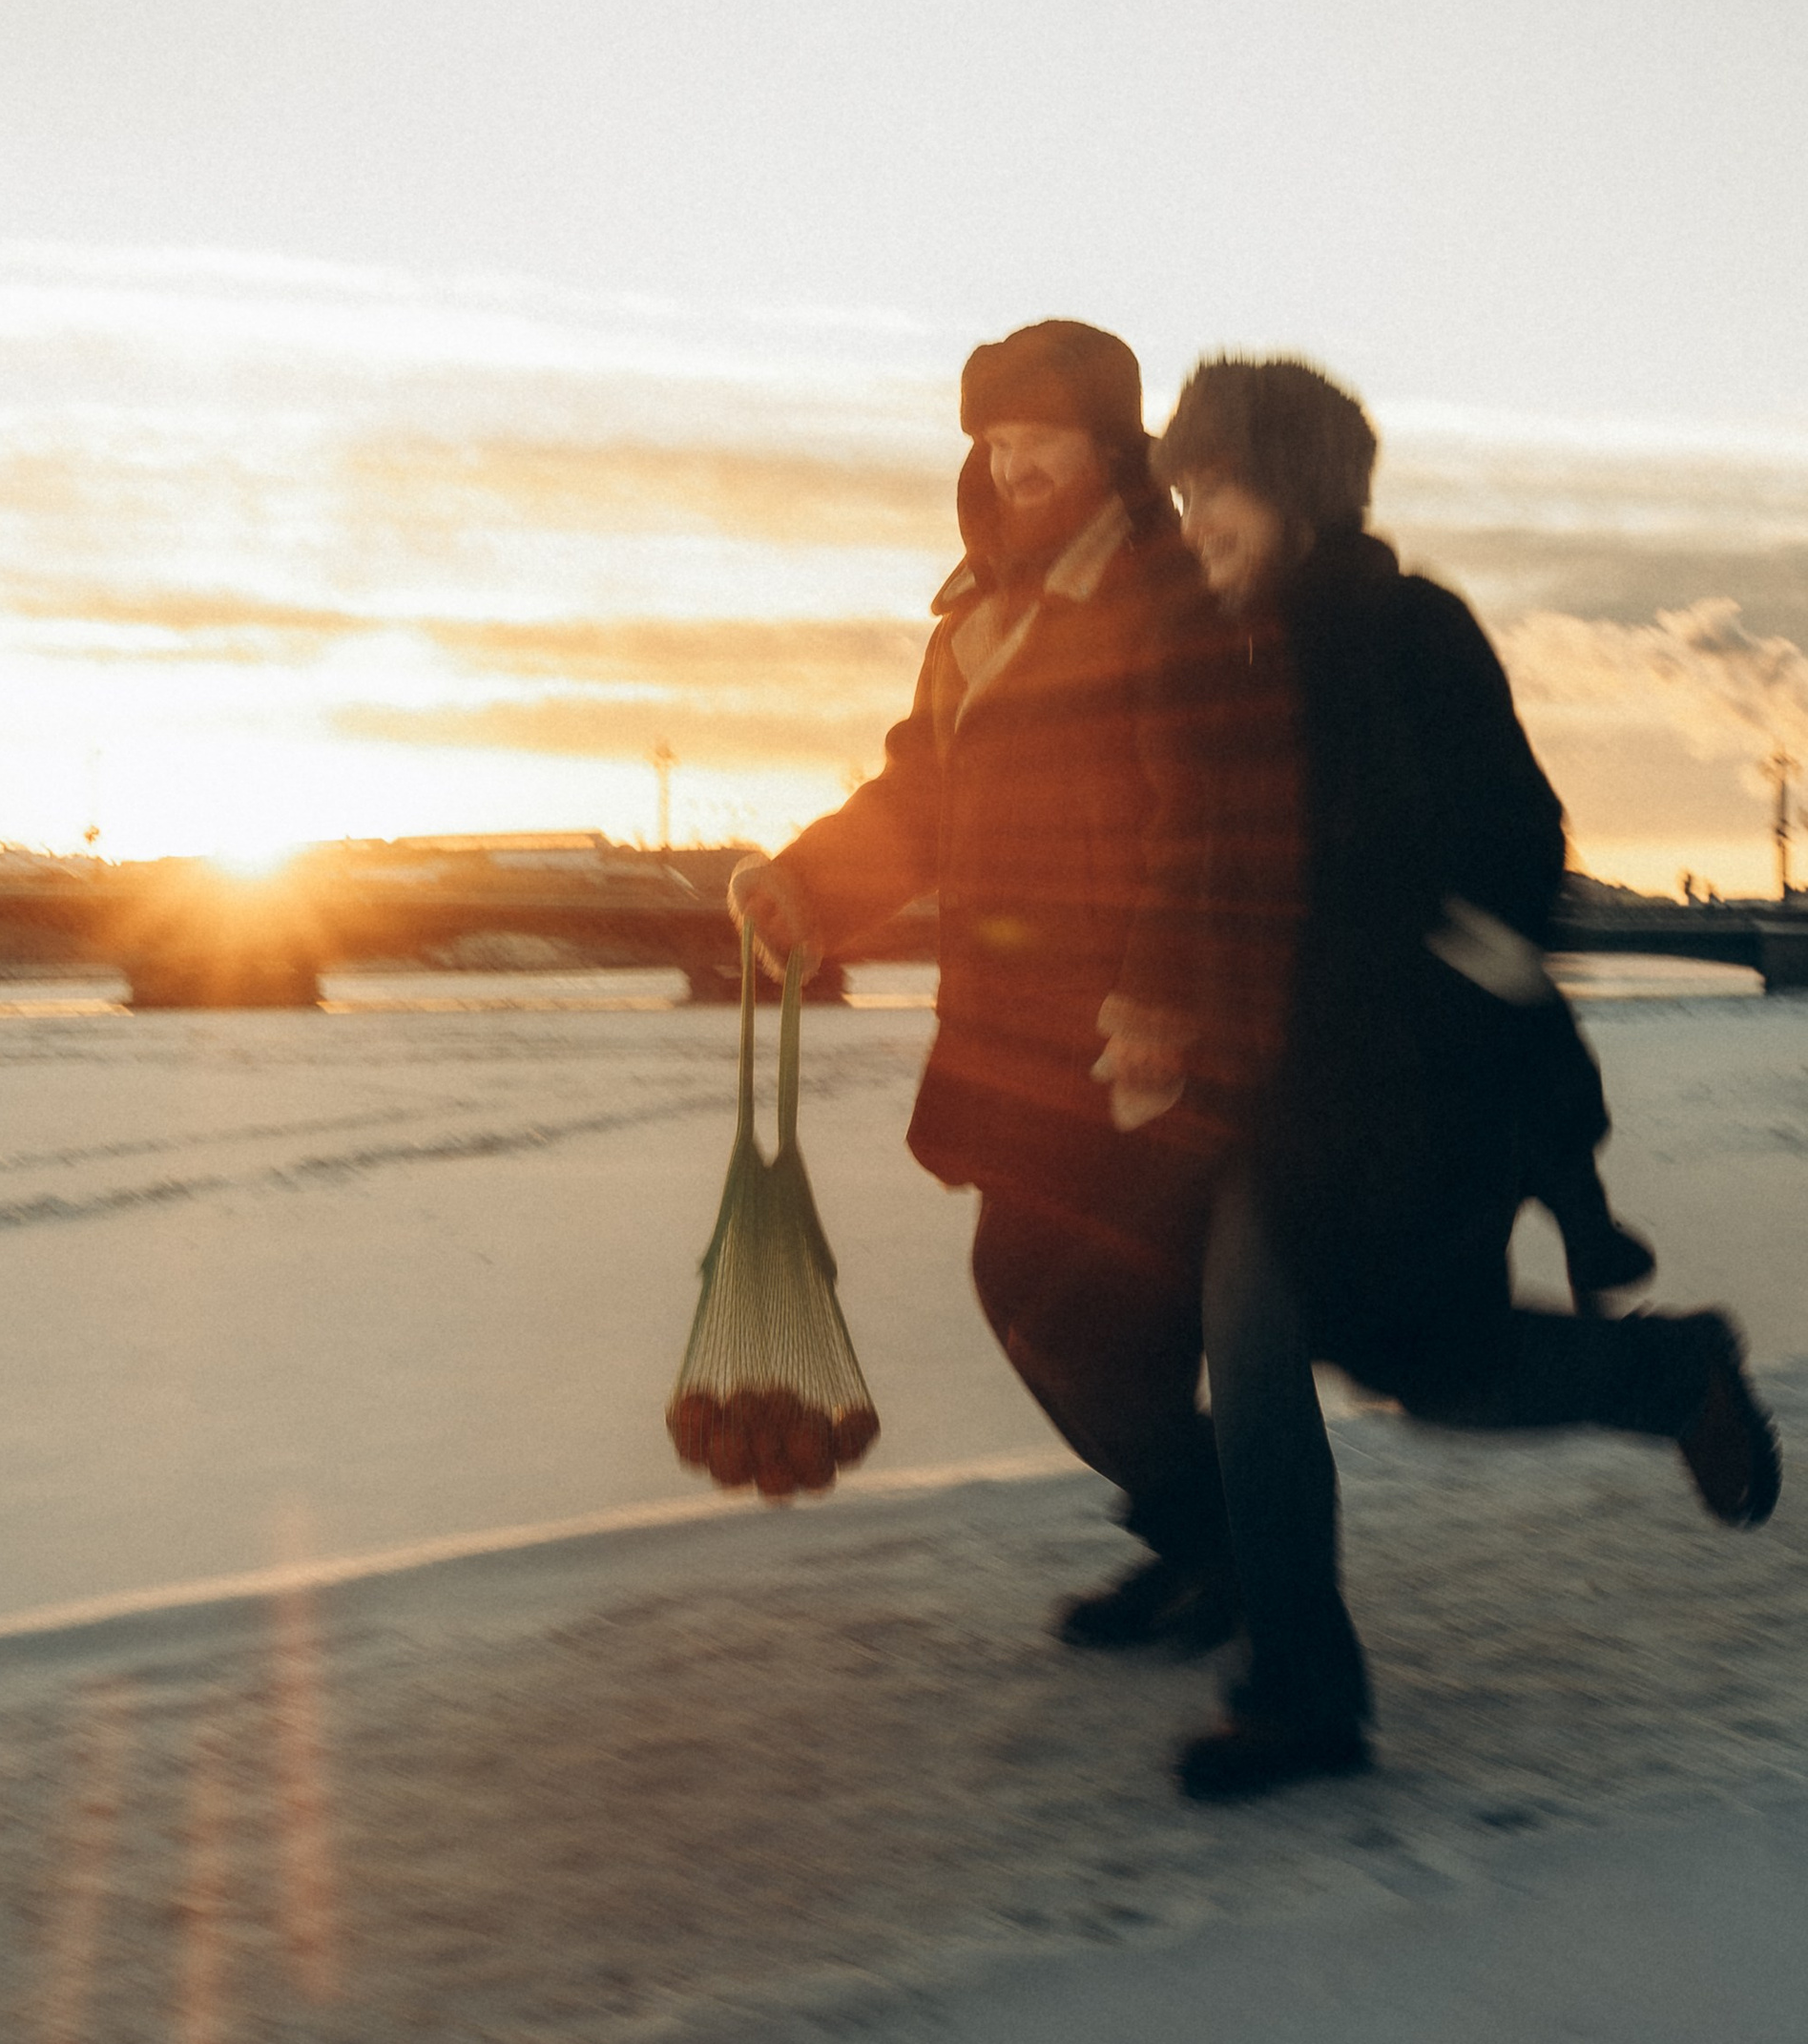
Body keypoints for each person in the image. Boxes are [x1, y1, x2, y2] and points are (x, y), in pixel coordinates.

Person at [1152, 356, 1780, 1802]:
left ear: (1298, 488)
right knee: (1274, 1345)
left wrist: (1444, 970)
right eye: (1184, 492)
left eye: (1218, 487)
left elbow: (1519, 829)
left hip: (1421, 1097)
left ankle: (1669, 1371)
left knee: (1435, 1369)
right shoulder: (1220, 655)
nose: (1198, 519)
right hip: (1273, 1088)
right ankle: (1310, 1688)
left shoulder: (1408, 629)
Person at [731, 319, 1248, 1650]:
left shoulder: (1162, 592)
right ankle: (1214, 1542)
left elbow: (1203, 813)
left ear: (1110, 449)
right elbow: (919, 793)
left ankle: (1232, 1544)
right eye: (994, 445)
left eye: (1040, 444)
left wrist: (1160, 1004)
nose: (1012, 468)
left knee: (1062, 1303)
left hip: (1139, 1031)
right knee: (1059, 1308)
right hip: (1017, 1020)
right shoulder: (975, 611)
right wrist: (808, 885)